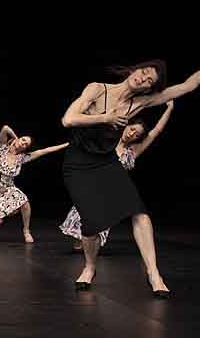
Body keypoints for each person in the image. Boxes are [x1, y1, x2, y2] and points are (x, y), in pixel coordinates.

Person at [60, 62, 197, 298]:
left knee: (139, 213)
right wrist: (105, 118)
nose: (144, 80)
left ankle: (154, 273)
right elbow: (68, 119)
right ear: (135, 70)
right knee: (91, 224)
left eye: (149, 82)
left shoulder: (140, 102)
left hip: (107, 162)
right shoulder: (97, 89)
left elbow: (187, 86)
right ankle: (90, 267)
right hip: (78, 164)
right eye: (144, 73)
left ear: (147, 90)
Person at [60, 101, 174, 249]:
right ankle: (83, 241)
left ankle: (90, 246)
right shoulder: (108, 139)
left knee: (98, 227)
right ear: (127, 125)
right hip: (92, 186)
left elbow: (156, 131)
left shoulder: (133, 151)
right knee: (82, 228)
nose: (132, 134)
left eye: (136, 135)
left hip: (111, 192)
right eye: (132, 129)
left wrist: (169, 109)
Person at [0, 125, 68, 243]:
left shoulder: (21, 158)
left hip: (8, 189)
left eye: (26, 144)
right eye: (23, 140)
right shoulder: (1, 148)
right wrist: (16, 138)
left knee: (25, 203)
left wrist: (66, 145)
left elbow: (44, 151)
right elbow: (5, 128)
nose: (23, 143)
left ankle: (26, 230)